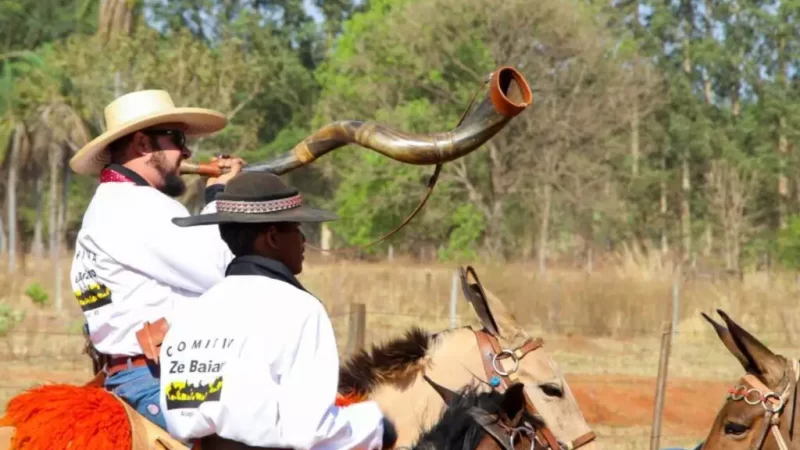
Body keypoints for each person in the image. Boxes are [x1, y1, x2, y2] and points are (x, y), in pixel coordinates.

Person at [158, 171, 397, 450]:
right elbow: (309, 431)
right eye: (296, 227)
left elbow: (179, 415)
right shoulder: (300, 309)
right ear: (272, 237)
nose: (303, 239)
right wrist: (375, 425)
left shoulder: (191, 314)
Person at [68, 89, 246, 431]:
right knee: (269, 431)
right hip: (159, 378)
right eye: (177, 139)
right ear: (143, 145)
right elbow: (219, 270)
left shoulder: (112, 204)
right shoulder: (137, 205)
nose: (187, 151)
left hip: (139, 373)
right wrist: (220, 196)